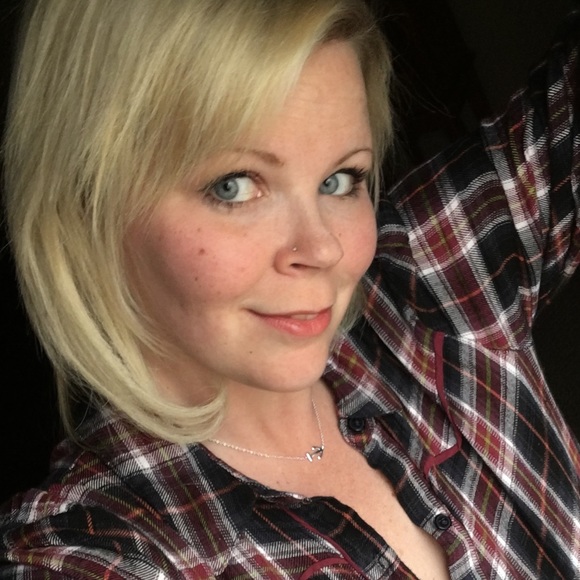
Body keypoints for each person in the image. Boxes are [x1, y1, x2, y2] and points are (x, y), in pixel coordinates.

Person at [1, 0, 579, 578]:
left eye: (340, 180)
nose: (322, 248)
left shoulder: (425, 291)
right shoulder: (98, 549)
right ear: (88, 204)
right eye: (233, 186)